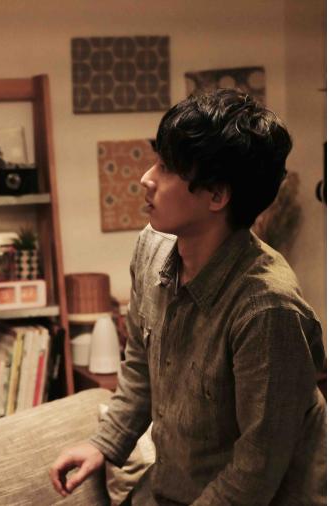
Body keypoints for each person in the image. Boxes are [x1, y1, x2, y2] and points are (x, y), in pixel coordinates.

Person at [50, 89, 326, 505]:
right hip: (172, 485)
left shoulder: (267, 309)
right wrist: (105, 443)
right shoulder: (151, 248)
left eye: (167, 168)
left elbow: (257, 468)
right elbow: (141, 364)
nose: (146, 178)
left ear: (217, 195)